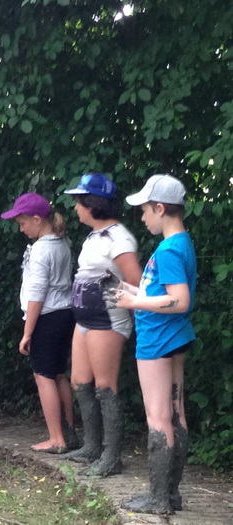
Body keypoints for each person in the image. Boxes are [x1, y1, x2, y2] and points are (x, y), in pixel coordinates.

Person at [103, 175, 195, 514]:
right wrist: (132, 291)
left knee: (158, 417)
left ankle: (158, 499)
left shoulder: (169, 249)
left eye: (144, 211)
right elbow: (163, 293)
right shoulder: (182, 243)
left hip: (157, 340)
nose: (142, 218)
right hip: (174, 336)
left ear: (160, 208)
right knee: (175, 413)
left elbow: (179, 300)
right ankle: (171, 495)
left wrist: (133, 303)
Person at [61, 173, 142, 477]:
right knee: (80, 382)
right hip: (85, 320)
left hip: (106, 320)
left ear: (92, 204)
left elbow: (136, 282)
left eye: (78, 202)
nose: (75, 208)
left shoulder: (119, 239)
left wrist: (111, 295)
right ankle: (92, 446)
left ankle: (111, 456)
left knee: (105, 387)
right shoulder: (95, 236)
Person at [1, 193, 78, 453]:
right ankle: (69, 431)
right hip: (65, 313)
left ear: (37, 219)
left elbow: (37, 294)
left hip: (46, 316)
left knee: (43, 376)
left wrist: (27, 332)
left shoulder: (41, 250)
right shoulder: (62, 242)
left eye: (23, 223)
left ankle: (56, 438)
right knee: (59, 374)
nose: (21, 229)